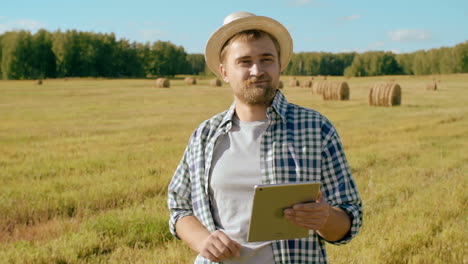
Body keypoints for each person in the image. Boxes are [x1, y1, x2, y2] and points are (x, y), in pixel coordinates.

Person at [168, 11, 362, 264]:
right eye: (244, 61)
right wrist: (203, 240)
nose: (257, 70)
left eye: (266, 59)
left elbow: (350, 217)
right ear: (224, 71)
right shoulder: (205, 136)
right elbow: (179, 207)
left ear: (280, 65)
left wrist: (324, 218)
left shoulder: (316, 129)